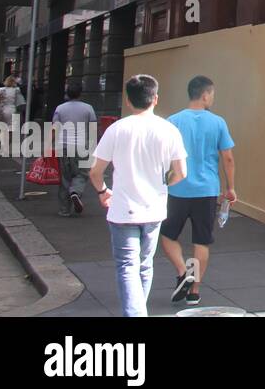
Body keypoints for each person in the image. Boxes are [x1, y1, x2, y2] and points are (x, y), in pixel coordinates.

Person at [88, 75, 187, 317]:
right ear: (155, 99)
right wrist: (165, 183)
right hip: (154, 207)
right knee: (145, 265)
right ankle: (138, 311)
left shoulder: (117, 129)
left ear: (128, 101)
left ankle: (135, 314)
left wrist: (103, 192)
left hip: (123, 208)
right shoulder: (169, 130)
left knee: (126, 266)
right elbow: (181, 172)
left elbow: (95, 172)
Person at [161, 74, 236, 305]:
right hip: (207, 191)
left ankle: (183, 271)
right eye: (212, 94)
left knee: (167, 235)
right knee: (201, 241)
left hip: (178, 189)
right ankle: (194, 290)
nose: (212, 98)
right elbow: (228, 158)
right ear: (205, 95)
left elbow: (164, 156)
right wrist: (230, 188)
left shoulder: (173, 121)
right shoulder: (218, 122)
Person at [51, 85, 97, 218]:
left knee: (65, 178)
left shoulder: (60, 108)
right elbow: (93, 128)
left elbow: (54, 128)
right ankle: (75, 191)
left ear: (67, 94)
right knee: (82, 174)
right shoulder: (88, 108)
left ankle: (64, 210)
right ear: (80, 94)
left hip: (63, 146)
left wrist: (49, 145)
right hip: (82, 146)